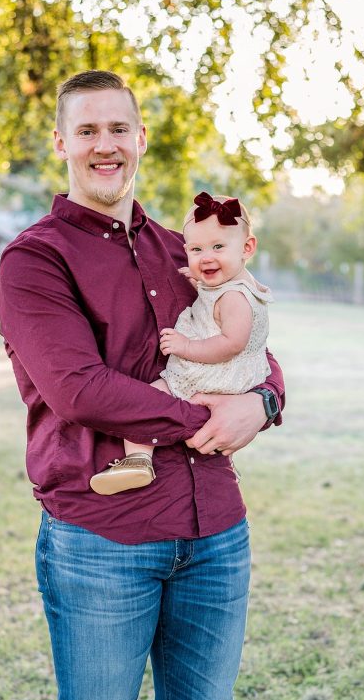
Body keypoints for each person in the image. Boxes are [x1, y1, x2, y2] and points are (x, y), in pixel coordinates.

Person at [0, 69, 316, 700]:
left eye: (120, 129)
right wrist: (204, 410)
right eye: (86, 129)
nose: (106, 144)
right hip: (100, 537)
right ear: (63, 144)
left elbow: (256, 346)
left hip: (214, 531)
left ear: (141, 138)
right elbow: (80, 387)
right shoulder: (35, 259)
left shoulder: (189, 249)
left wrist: (257, 405)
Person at [89, 190, 272, 495]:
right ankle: (222, 459)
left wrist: (186, 347)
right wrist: (200, 281)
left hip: (211, 372)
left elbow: (232, 343)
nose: (207, 257)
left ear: (247, 247)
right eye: (197, 249)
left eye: (218, 247)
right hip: (232, 376)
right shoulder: (234, 284)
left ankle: (137, 459)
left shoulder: (234, 298)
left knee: (150, 399)